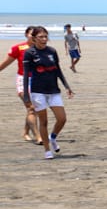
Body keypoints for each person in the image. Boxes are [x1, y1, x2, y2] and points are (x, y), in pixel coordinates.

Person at [22, 26, 74, 159]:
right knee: (43, 122)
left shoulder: (52, 51)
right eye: (41, 37)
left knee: (62, 119)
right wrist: (27, 96)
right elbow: (26, 75)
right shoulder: (29, 53)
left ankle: (53, 137)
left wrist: (67, 86)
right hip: (38, 91)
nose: (44, 39)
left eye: (46, 36)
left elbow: (58, 70)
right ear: (34, 39)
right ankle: (47, 150)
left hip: (53, 90)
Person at [0, 26, 42, 144]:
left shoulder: (41, 48)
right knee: (31, 108)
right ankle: (38, 136)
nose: (33, 37)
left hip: (37, 81)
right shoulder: (18, 48)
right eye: (31, 34)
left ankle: (25, 132)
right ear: (26, 35)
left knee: (33, 109)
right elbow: (5, 63)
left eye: (36, 35)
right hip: (22, 80)